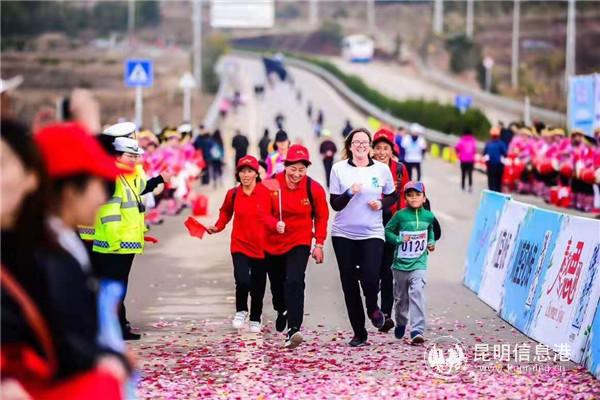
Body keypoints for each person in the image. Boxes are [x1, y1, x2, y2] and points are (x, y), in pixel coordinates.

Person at [1, 120, 125, 398]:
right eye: (100, 184)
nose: (104, 197)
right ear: (70, 190)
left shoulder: (50, 247)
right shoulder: (46, 257)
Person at [91, 137, 170, 340]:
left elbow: (140, 190)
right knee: (115, 288)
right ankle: (115, 329)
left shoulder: (129, 174)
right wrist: (114, 241)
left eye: (136, 156)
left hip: (126, 242)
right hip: (115, 243)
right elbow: (110, 211)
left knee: (120, 286)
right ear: (117, 155)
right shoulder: (113, 177)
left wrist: (159, 179)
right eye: (130, 155)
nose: (134, 159)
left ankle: (118, 326)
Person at [329, 128, 398, 347]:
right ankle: (359, 332)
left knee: (370, 277)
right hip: (343, 234)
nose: (360, 145)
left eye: (365, 142)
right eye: (356, 142)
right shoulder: (339, 169)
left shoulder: (381, 169)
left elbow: (393, 196)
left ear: (370, 147)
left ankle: (372, 307)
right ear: (350, 146)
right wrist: (349, 192)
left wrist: (381, 203)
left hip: (372, 232)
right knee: (349, 283)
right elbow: (335, 204)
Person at [262, 145, 329, 348]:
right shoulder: (271, 184)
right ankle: (281, 308)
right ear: (285, 166)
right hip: (272, 242)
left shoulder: (313, 188)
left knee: (295, 281)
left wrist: (319, 243)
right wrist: (274, 224)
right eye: (293, 169)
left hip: (299, 241)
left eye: (301, 169)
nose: (297, 174)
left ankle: (294, 329)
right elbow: (261, 212)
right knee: (277, 285)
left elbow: (322, 216)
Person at [207, 156, 270, 333]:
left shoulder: (266, 193)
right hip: (240, 244)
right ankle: (241, 310)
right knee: (242, 281)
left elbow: (275, 216)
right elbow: (225, 213)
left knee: (258, 285)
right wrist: (217, 227)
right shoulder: (233, 194)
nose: (246, 175)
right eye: (242, 171)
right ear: (238, 174)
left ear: (256, 173)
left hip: (262, 246)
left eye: (249, 171)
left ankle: (256, 317)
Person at [384, 181, 436, 344]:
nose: (414, 198)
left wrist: (431, 242)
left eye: (417, 195)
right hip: (400, 264)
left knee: (417, 291)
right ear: (405, 198)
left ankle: (417, 330)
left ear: (424, 198)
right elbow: (387, 231)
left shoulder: (429, 216)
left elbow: (431, 231)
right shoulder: (399, 216)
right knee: (401, 299)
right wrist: (398, 239)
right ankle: (401, 322)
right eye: (410, 195)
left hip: (419, 263)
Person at [371, 128, 409, 332]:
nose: (381, 152)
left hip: (393, 223)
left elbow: (405, 196)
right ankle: (372, 305)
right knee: (371, 271)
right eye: (378, 148)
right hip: (370, 223)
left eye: (385, 148)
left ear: (392, 150)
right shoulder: (366, 168)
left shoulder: (400, 169)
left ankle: (385, 313)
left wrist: (404, 222)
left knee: (387, 271)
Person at [483, 127, 508, 192]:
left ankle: (491, 192)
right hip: (499, 165)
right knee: (498, 181)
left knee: (491, 181)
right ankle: (498, 193)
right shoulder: (501, 144)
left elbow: (484, 153)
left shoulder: (488, 143)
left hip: (490, 165)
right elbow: (505, 153)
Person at [455, 127, 478, 192]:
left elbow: (457, 148)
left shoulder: (462, 140)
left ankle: (463, 187)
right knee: (470, 174)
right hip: (470, 160)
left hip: (463, 160)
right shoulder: (473, 140)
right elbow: (474, 150)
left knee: (463, 174)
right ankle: (470, 187)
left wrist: (458, 154)